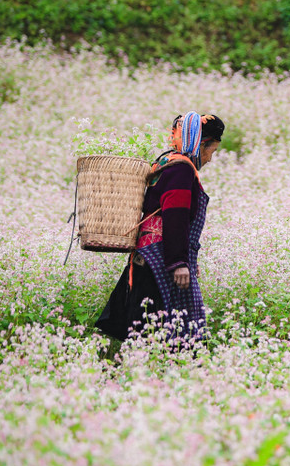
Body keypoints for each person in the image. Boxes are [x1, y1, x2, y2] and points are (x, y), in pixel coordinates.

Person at [96, 112, 225, 345]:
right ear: (200, 144)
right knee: (170, 331)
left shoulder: (167, 163)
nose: (209, 159)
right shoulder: (181, 170)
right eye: (211, 151)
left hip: (149, 258)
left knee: (149, 327)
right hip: (160, 261)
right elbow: (175, 215)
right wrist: (178, 262)